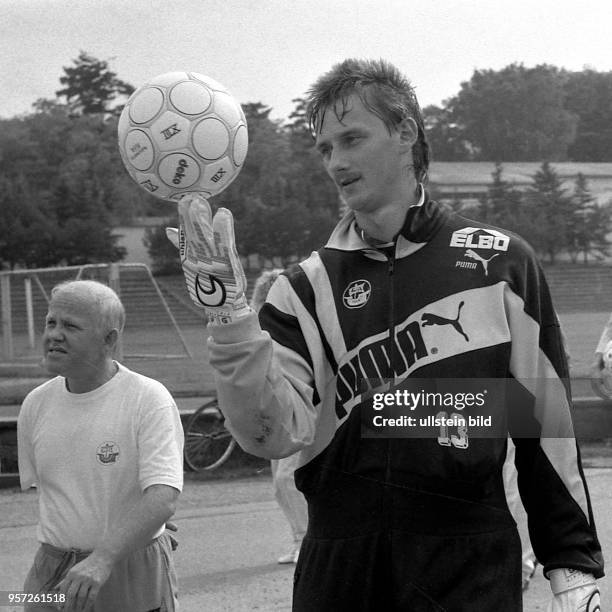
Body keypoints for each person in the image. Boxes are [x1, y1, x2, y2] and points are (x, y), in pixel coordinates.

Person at [167, 59, 603, 611]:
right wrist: (230, 321)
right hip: (340, 565)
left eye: (351, 138)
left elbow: (544, 421)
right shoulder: (302, 289)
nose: (337, 162)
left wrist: (571, 563)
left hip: (467, 559)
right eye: (325, 148)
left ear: (405, 132)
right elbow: (270, 437)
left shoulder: (502, 263)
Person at [17, 280, 184, 612]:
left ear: (109, 340)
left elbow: (164, 496)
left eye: (71, 326)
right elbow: (68, 493)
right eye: (51, 322)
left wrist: (106, 556)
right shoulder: (36, 404)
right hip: (53, 568)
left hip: (124, 566)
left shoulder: (149, 399)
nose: (54, 334)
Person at [250, 269, 308, 564]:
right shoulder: (262, 328)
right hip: (276, 412)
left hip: (299, 410)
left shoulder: (296, 326)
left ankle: (307, 541)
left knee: (288, 478)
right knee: (279, 484)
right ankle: (300, 540)